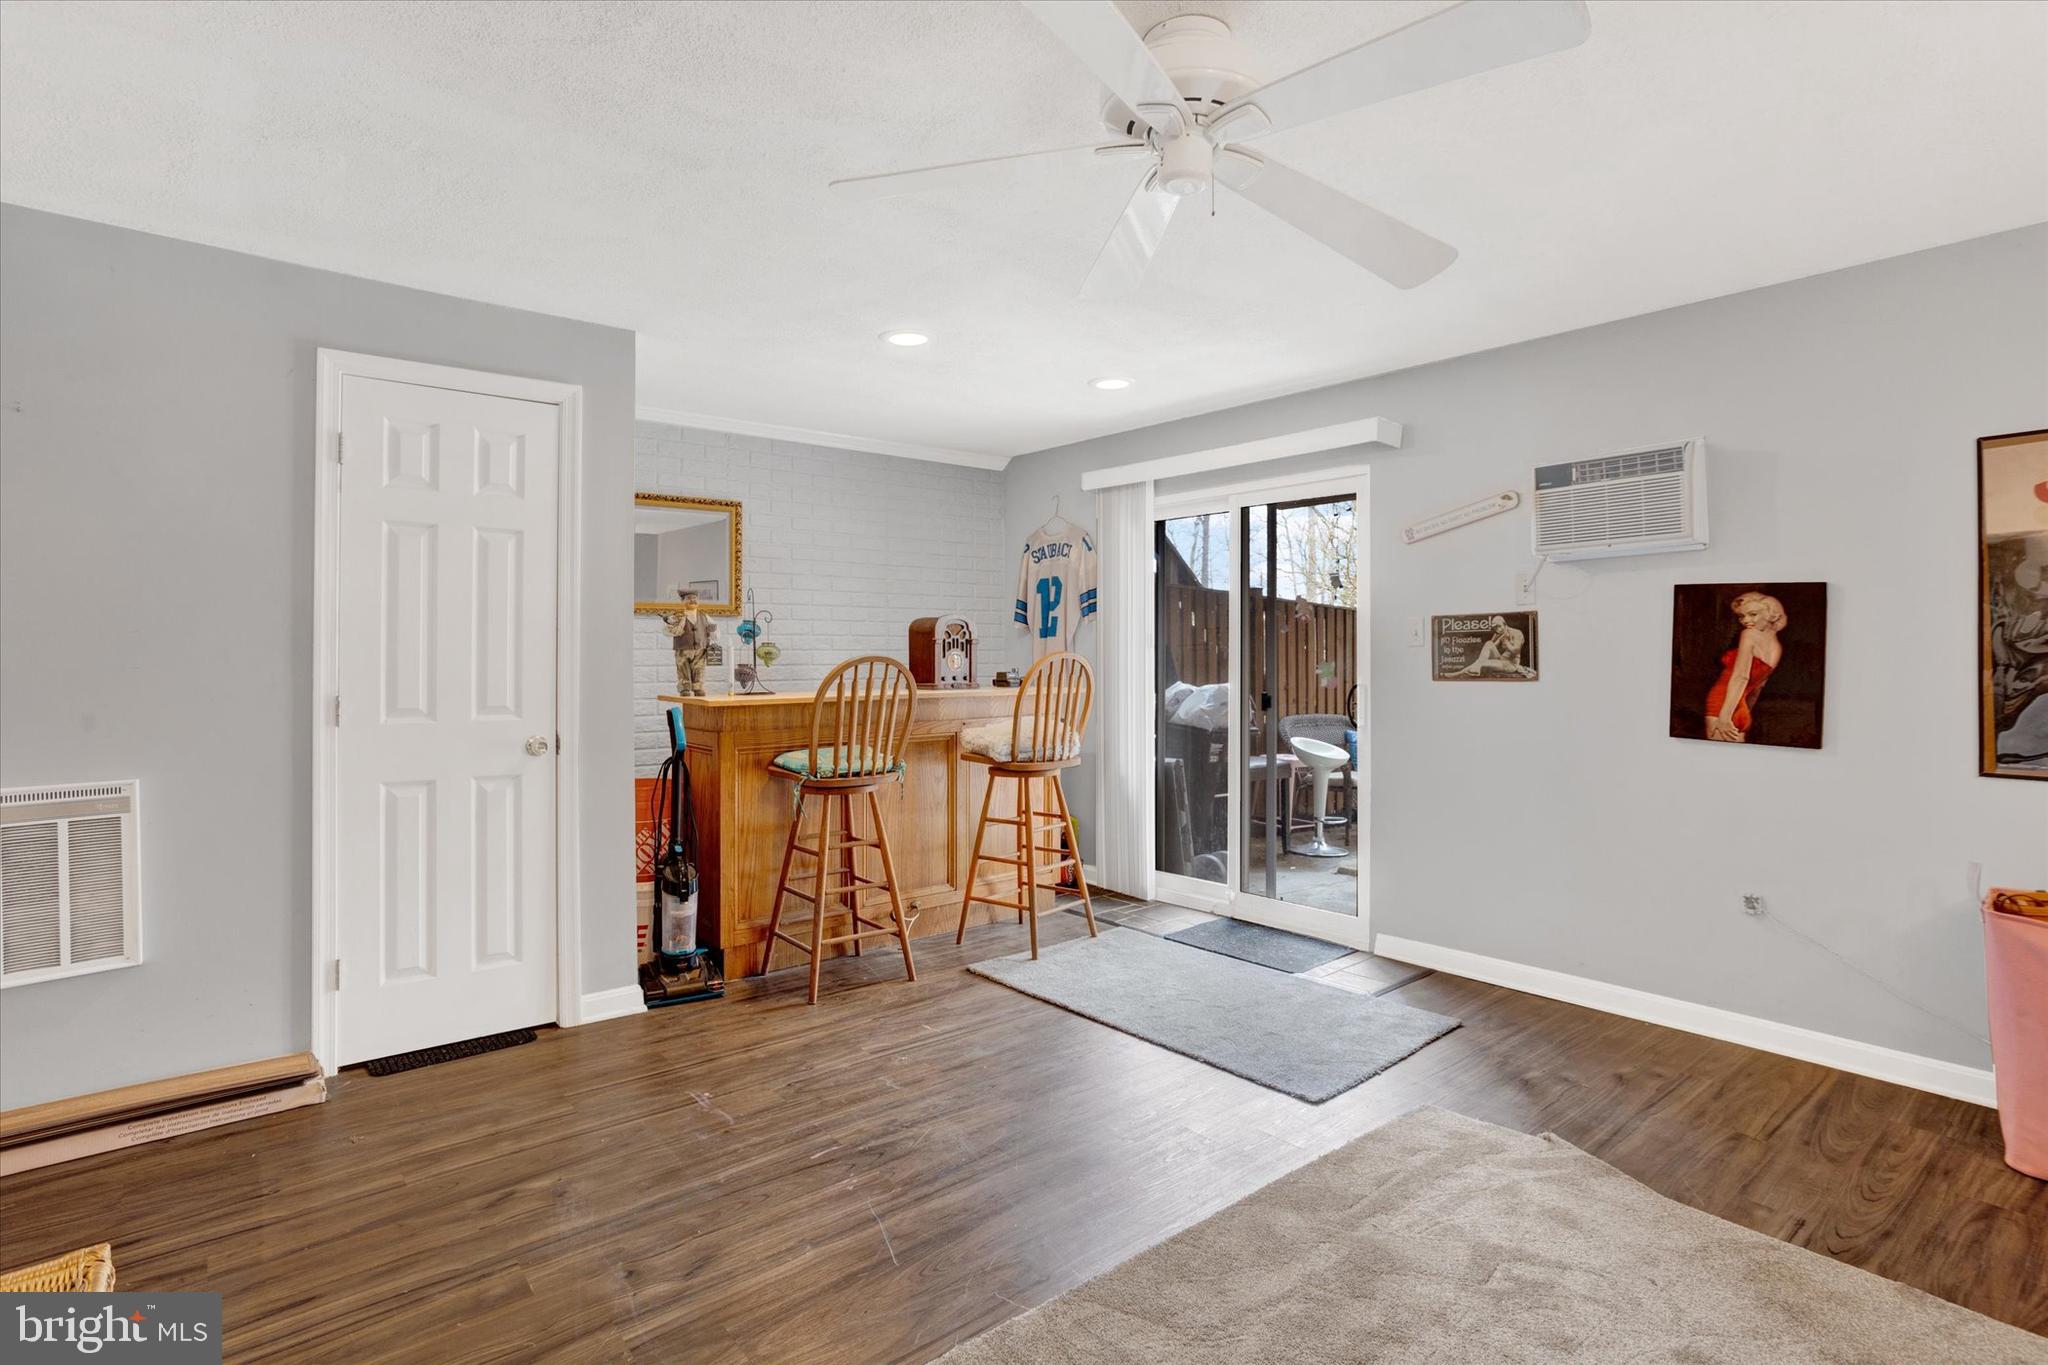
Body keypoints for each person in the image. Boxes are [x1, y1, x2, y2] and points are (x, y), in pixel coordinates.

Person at [1704, 592, 1786, 742]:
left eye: (1753, 614)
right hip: (1742, 708)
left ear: (1772, 616)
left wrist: (1725, 716)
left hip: (1722, 706)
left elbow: (1741, 676)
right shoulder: (1777, 648)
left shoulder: (1749, 635)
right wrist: (1744, 712)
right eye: (1742, 616)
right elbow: (1758, 688)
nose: (1745, 621)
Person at [660, 589, 717, 697]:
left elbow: (715, 631)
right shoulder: (677, 616)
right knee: (682, 668)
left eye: (694, 598)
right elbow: (666, 631)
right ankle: (684, 688)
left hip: (700, 648)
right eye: (689, 598)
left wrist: (713, 632)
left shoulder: (704, 616)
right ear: (682, 601)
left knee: (699, 668)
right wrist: (673, 627)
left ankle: (698, 687)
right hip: (682, 648)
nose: (692, 600)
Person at [1455, 616, 1535, 678]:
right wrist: (1497, 638)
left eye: (1499, 626)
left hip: (1510, 664)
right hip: (1500, 659)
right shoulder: (1499, 633)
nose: (1498, 629)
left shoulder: (1517, 633)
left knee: (1479, 662)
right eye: (1495, 628)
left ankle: (1458, 673)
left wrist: (1506, 642)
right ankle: (1459, 672)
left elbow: (1516, 651)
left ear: (1505, 624)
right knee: (1488, 644)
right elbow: (1489, 648)